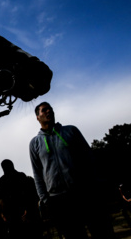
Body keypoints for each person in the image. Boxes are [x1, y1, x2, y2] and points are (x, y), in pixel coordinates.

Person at [29, 101, 114, 239]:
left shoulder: (70, 131)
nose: (49, 112)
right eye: (44, 110)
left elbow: (89, 158)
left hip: (84, 192)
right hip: (58, 201)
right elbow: (37, 174)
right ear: (37, 117)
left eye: (50, 109)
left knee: (102, 232)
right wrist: (45, 199)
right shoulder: (34, 143)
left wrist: (97, 183)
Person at [0, 159, 42, 239]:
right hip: (24, 215)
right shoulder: (23, 178)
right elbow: (34, 194)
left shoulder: (0, 183)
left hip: (14, 217)